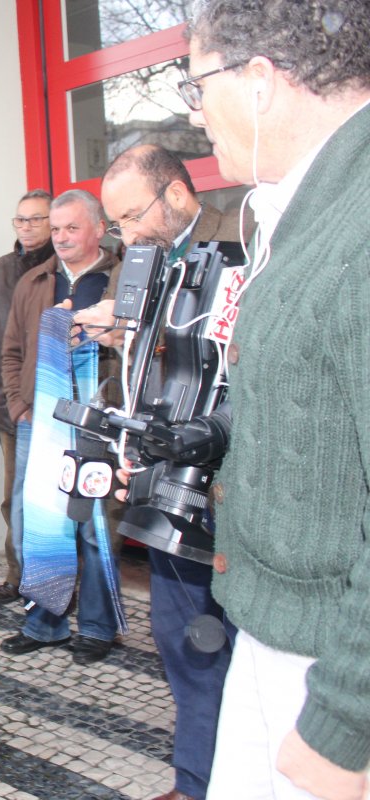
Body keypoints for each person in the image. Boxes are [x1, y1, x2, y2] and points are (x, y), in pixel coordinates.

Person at [178, 3, 370, 798]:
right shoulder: (304, 208)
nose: (196, 114)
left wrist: (346, 721)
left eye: (197, 86)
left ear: (258, 80)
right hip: (280, 643)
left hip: (329, 671)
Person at [83, 143, 244, 800]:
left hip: (233, 490)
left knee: (242, 648)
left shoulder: (245, 245)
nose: (125, 237)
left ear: (177, 194)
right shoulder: (143, 262)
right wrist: (121, 335)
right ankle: (196, 779)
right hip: (164, 485)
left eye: (131, 217)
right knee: (183, 640)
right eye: (116, 224)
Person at [0, 189, 121, 666]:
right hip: (41, 422)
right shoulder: (33, 281)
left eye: (72, 227)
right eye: (55, 229)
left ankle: (96, 627)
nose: (61, 237)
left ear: (98, 229)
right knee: (39, 525)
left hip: (99, 425)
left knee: (95, 527)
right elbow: (11, 350)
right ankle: (44, 624)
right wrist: (19, 404)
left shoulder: (121, 279)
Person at [0, 189, 55, 605]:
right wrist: (1, 387)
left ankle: (59, 579)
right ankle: (17, 574)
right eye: (20, 219)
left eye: (36, 219)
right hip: (13, 407)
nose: (26, 227)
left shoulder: (63, 269)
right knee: (16, 497)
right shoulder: (0, 270)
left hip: (58, 404)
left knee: (57, 498)